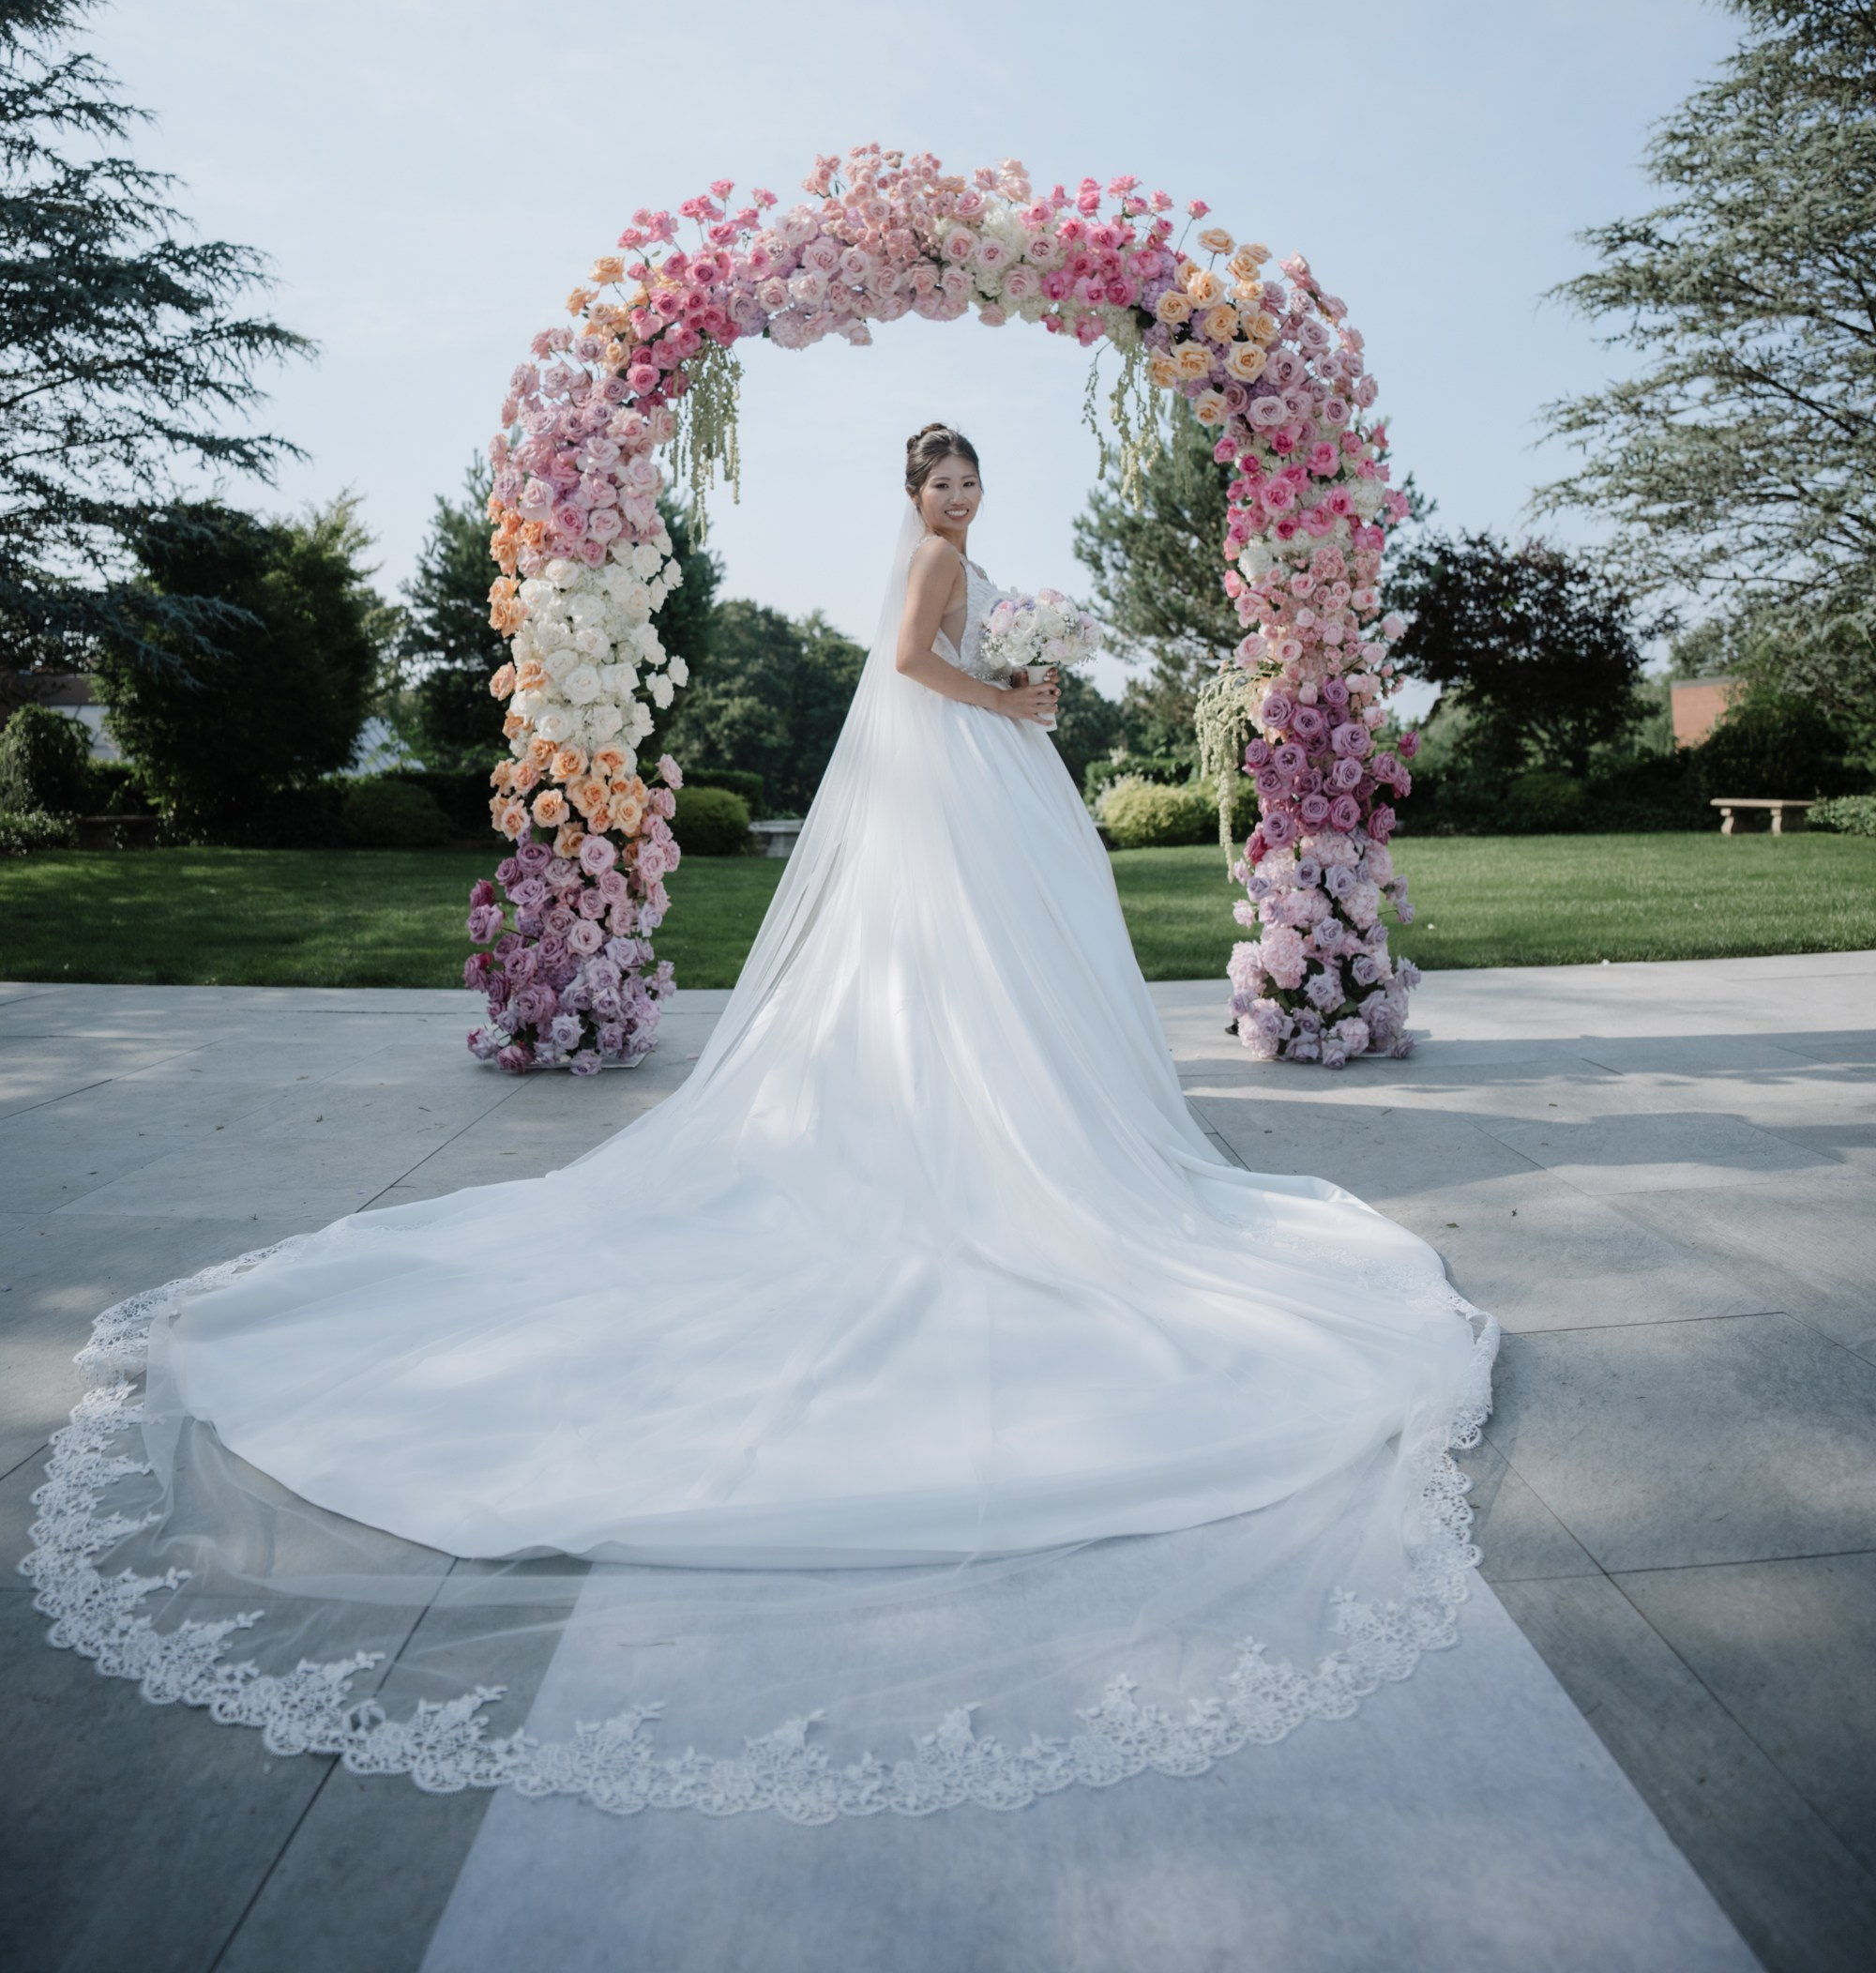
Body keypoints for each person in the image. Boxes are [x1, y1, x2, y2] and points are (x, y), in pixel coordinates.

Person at [36, 422, 1495, 1814]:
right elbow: (910, 664)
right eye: (940, 481)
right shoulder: (934, 564)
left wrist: (1020, 679)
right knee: (976, 967)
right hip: (966, 769)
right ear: (913, 495)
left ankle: (984, 1116)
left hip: (977, 778)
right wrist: (1011, 700)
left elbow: (947, 656)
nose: (958, 497)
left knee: (985, 973)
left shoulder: (966, 559)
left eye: (970, 478)